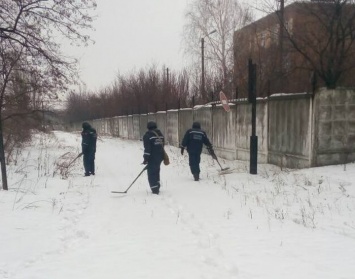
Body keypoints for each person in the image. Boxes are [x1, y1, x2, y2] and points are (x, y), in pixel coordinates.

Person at [143, 121, 165, 194]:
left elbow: (147, 148)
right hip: (160, 156)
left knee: (151, 173)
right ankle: (157, 185)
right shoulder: (160, 135)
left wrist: (146, 158)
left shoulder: (148, 135)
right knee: (157, 171)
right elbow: (162, 145)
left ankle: (155, 189)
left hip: (152, 157)